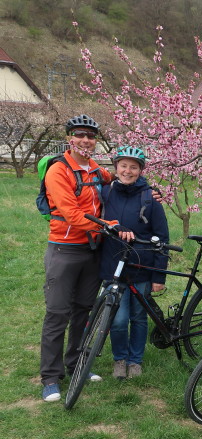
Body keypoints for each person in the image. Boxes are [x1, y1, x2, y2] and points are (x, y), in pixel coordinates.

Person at [39, 114, 121, 402]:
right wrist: (106, 225)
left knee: (83, 311)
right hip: (64, 248)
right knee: (58, 312)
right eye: (80, 135)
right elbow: (71, 212)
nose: (85, 140)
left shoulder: (96, 170)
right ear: (69, 138)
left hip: (92, 250)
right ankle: (50, 376)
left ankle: (75, 365)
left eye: (90, 136)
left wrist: (144, 190)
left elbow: (118, 178)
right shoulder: (58, 171)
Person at [99, 146, 169, 380]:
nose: (128, 171)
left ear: (140, 170)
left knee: (138, 316)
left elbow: (162, 238)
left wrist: (159, 276)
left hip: (142, 267)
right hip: (113, 265)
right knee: (117, 319)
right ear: (116, 167)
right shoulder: (105, 193)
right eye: (123, 165)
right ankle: (120, 358)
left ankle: (135, 360)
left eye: (133, 167)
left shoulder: (150, 197)